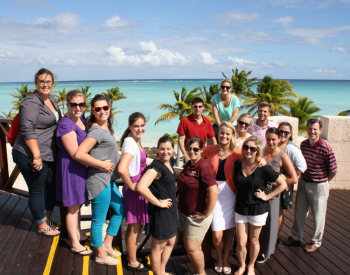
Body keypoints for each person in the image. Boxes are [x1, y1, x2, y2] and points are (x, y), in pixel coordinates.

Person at [75, 94, 124, 265]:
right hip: (98, 180)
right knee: (99, 220)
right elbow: (79, 154)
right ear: (93, 111)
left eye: (105, 107)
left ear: (109, 108)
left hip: (108, 180)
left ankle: (108, 244)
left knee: (120, 210)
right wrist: (101, 164)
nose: (102, 111)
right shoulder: (96, 130)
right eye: (98, 109)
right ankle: (99, 253)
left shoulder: (104, 128)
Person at [12, 68, 61, 237]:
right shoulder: (30, 102)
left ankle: (45, 217)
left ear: (53, 84)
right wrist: (36, 156)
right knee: (37, 188)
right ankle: (41, 225)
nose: (45, 84)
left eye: (48, 81)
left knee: (55, 183)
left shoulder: (52, 99)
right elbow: (27, 130)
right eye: (42, 81)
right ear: (36, 83)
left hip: (48, 153)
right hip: (29, 153)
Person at [234, 136, 287, 275]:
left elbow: (283, 184)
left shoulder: (264, 167)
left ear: (257, 150)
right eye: (246, 147)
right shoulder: (237, 164)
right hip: (241, 207)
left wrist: (267, 196)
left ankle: (251, 265)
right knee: (240, 242)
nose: (249, 150)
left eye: (252, 148)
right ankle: (242, 265)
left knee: (253, 240)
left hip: (258, 208)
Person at [286, 118, 337, 253]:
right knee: (299, 212)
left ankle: (316, 241)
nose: (312, 131)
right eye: (310, 128)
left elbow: (333, 170)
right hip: (304, 182)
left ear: (320, 131)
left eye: (315, 129)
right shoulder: (303, 145)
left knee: (318, 215)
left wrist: (323, 181)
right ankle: (296, 236)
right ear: (307, 129)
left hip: (319, 185)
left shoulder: (326, 148)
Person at [56, 89, 91, 255]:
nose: (78, 107)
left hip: (80, 166)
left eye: (81, 104)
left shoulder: (81, 119)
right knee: (72, 207)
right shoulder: (65, 124)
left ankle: (77, 234)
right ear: (67, 105)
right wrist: (99, 164)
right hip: (71, 166)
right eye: (74, 104)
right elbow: (75, 153)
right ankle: (75, 244)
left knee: (78, 203)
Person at [202, 121, 241, 274]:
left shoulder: (238, 152)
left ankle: (225, 259)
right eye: (222, 133)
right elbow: (194, 154)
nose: (224, 136)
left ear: (232, 136)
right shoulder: (210, 149)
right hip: (214, 196)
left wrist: (262, 160)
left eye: (227, 133)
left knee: (230, 230)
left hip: (232, 195)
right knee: (217, 234)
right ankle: (218, 256)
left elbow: (254, 157)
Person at [136, 136, 178, 275]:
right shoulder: (156, 166)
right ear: (158, 149)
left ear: (173, 149)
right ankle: (158, 272)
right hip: (161, 212)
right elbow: (141, 187)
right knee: (157, 247)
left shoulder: (169, 162)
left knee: (171, 242)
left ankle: (161, 269)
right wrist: (159, 202)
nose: (165, 152)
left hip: (170, 210)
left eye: (168, 149)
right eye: (162, 149)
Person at [177, 136, 218, 275]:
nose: (192, 151)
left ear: (201, 150)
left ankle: (201, 273)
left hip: (197, 215)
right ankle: (195, 271)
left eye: (196, 149)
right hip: (184, 212)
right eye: (190, 149)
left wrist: (206, 213)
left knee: (192, 248)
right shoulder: (189, 164)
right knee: (190, 248)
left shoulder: (204, 167)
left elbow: (213, 192)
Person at [257, 128, 298, 263]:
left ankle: (265, 252)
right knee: (258, 224)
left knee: (270, 224)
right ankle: (256, 248)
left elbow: (293, 179)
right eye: (268, 139)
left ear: (279, 139)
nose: (270, 142)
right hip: (258, 193)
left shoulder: (282, 156)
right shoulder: (261, 152)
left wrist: (278, 184)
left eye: (273, 139)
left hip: (272, 195)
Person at [117, 112, 149, 272]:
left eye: (142, 125)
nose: (140, 128)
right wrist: (133, 185)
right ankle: (132, 261)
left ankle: (133, 255)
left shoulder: (134, 139)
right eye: (136, 126)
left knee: (136, 226)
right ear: (130, 126)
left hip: (138, 188)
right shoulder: (130, 143)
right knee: (134, 227)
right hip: (135, 189)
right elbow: (122, 168)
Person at [277, 122, 307, 238]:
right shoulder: (273, 143)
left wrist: (288, 178)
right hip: (272, 182)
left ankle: (276, 237)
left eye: (286, 132)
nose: (283, 134)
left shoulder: (292, 148)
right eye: (281, 131)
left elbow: (302, 166)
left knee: (279, 212)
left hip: (284, 183)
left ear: (290, 134)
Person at [177, 97, 216, 163]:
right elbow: (180, 140)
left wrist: (215, 154)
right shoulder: (185, 120)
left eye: (200, 106)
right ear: (192, 107)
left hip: (202, 153)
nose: (198, 109)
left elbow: (213, 139)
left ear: (203, 107)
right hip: (190, 153)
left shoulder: (207, 121)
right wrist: (185, 155)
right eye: (195, 107)